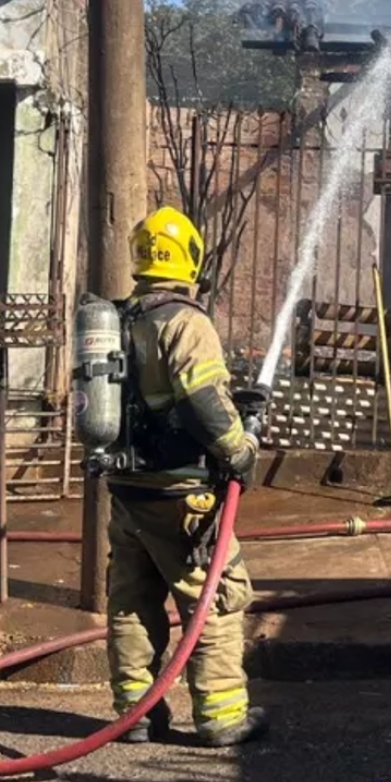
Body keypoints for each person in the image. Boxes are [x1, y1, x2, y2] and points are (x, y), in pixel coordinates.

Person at [104, 206, 267, 748]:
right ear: (190, 256)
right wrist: (239, 449)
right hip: (183, 495)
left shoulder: (119, 319)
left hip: (128, 490)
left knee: (132, 599)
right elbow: (200, 402)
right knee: (214, 599)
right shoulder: (185, 321)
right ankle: (221, 716)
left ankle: (135, 714)